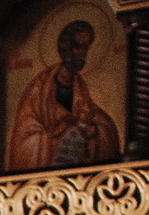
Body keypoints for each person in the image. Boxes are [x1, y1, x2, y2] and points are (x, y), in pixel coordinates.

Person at [8, 20, 121, 170]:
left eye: (86, 48)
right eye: (77, 47)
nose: (82, 53)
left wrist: (93, 128)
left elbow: (92, 115)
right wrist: (58, 132)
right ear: (66, 48)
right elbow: (26, 132)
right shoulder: (40, 87)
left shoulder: (80, 86)